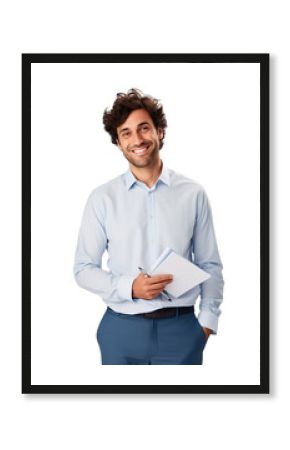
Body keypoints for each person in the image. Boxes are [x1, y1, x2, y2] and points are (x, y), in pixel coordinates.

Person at [73, 88, 224, 365]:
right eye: (126, 133)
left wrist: (206, 323)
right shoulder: (102, 198)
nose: (137, 139)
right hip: (120, 330)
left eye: (144, 128)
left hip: (182, 330)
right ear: (118, 142)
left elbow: (210, 264)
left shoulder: (193, 194)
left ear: (160, 131)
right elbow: (83, 269)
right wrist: (130, 287)